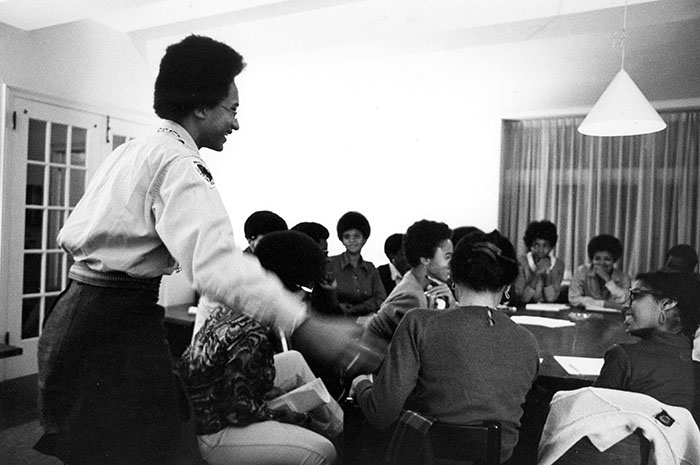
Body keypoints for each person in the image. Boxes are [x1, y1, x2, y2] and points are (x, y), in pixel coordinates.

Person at [35, 35, 363, 465]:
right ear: (202, 107)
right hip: (113, 324)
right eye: (233, 109)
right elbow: (216, 265)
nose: (237, 123)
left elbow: (75, 234)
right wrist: (305, 323)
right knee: (147, 450)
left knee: (104, 446)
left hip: (77, 312)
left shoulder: (135, 149)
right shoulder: (179, 163)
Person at [352, 230, 539, 464]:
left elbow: (381, 413)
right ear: (507, 286)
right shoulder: (528, 342)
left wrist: (361, 384)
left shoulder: (418, 323)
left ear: (453, 276)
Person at [179, 231, 342, 465]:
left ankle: (342, 428)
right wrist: (290, 417)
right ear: (288, 286)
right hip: (213, 431)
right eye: (306, 290)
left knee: (293, 359)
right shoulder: (251, 335)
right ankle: (337, 436)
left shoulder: (242, 309)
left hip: (214, 402)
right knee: (323, 451)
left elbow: (238, 384)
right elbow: (239, 411)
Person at [593, 271, 700, 415]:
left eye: (635, 295)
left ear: (667, 303)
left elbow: (591, 419)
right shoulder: (694, 359)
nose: (625, 305)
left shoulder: (623, 356)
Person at [363, 220, 456, 351]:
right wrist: (452, 306)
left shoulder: (415, 283)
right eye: (447, 257)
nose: (451, 263)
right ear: (425, 259)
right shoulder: (412, 297)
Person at [326, 211, 386, 317]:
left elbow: (380, 298)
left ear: (364, 239)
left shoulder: (371, 269)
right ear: (342, 240)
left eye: (357, 236)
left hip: (365, 322)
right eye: (347, 236)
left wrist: (355, 309)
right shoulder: (330, 264)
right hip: (336, 322)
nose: (352, 240)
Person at [568, 234, 630, 309]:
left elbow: (624, 301)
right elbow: (573, 299)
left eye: (607, 259)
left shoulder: (623, 277)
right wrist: (605, 304)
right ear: (591, 260)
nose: (602, 263)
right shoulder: (582, 271)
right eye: (597, 259)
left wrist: (608, 280)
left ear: (614, 260)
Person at [512, 220, 565, 303]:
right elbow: (523, 298)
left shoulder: (559, 264)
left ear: (551, 246)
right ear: (530, 245)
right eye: (536, 245)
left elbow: (551, 299)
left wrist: (547, 278)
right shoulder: (521, 262)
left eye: (545, 245)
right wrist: (536, 273)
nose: (541, 250)